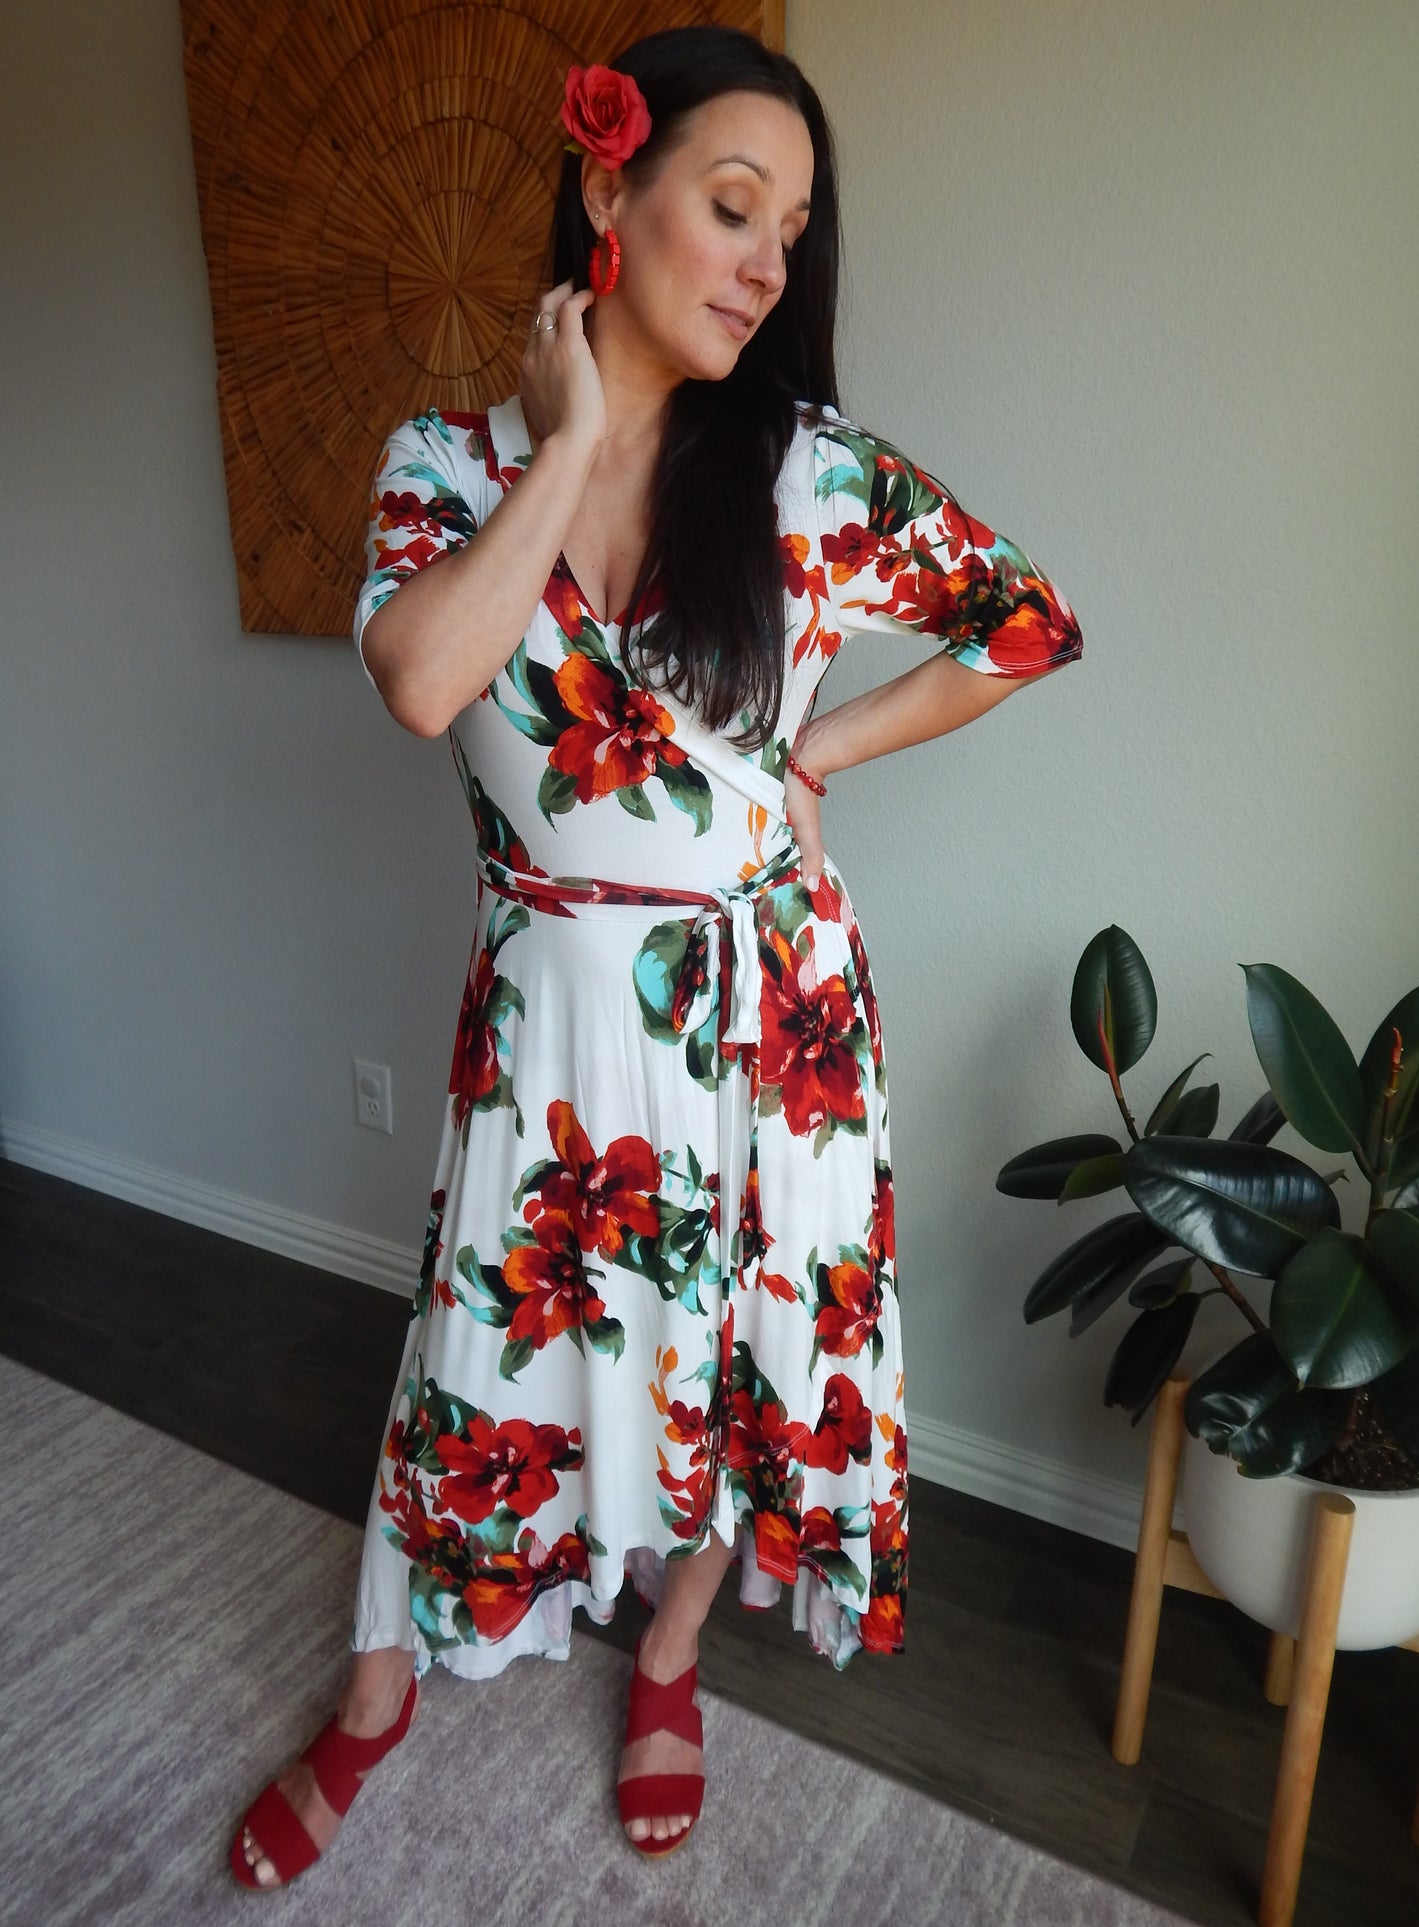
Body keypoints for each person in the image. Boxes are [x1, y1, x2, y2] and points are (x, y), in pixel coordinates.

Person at [231, 21, 1083, 1886]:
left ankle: (673, 1655)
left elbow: (1024, 624)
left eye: (794, 228)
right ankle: (377, 1688)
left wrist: (814, 758)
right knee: (473, 1362)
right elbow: (422, 681)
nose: (768, 262)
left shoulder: (806, 474)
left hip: (770, 1012)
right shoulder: (444, 464)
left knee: (739, 1353)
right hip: (550, 1025)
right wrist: (565, 450)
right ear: (607, 191)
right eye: (733, 204)